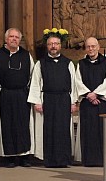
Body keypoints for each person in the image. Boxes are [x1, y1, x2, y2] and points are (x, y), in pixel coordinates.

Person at [27, 28, 77, 167]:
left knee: (63, 130)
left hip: (63, 100)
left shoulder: (68, 63)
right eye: (50, 44)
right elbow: (36, 83)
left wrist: (73, 102)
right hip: (47, 99)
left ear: (60, 46)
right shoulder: (40, 63)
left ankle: (64, 159)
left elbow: (73, 83)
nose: (53, 46)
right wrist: (37, 101)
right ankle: (49, 160)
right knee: (48, 130)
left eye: (56, 43)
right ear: (47, 46)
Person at [0, 28, 35, 168]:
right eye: (11, 37)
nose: (14, 39)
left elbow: (33, 76)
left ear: (20, 39)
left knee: (23, 125)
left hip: (22, 94)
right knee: (7, 125)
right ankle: (9, 157)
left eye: (17, 37)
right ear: (6, 39)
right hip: (5, 95)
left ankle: (25, 156)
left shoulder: (26, 56)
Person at [75, 37, 106, 166]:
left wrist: (96, 94)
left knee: (102, 130)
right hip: (87, 102)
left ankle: (102, 160)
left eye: (93, 46)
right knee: (87, 131)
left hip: (101, 102)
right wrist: (88, 95)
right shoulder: (81, 63)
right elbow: (77, 81)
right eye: (88, 47)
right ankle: (88, 160)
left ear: (98, 46)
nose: (91, 49)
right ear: (85, 48)